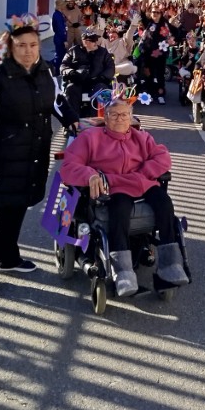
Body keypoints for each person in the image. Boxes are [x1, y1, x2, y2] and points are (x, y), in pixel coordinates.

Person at [0, 15, 75, 294]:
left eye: (33, 45)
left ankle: (10, 259)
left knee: (17, 210)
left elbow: (56, 100)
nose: (28, 50)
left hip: (32, 157)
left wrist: (72, 120)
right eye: (22, 45)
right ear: (10, 47)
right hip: (2, 161)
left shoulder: (44, 73)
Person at [60, 100, 189, 296]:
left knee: (164, 203)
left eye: (124, 114)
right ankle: (123, 272)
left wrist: (145, 172)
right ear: (106, 118)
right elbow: (69, 165)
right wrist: (90, 175)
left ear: (131, 117)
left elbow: (162, 157)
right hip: (113, 187)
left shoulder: (142, 137)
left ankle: (170, 266)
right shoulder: (90, 138)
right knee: (119, 209)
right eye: (114, 115)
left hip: (142, 183)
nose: (120, 118)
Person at [60, 28, 115, 119]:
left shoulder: (103, 52)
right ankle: (73, 122)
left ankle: (99, 120)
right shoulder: (74, 51)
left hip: (97, 81)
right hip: (78, 81)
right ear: (84, 41)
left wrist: (102, 77)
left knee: (103, 91)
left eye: (95, 40)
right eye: (92, 40)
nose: (95, 42)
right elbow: (63, 66)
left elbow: (111, 67)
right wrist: (71, 72)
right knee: (70, 89)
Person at [137, 3, 180, 104]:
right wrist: (142, 8)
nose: (155, 14)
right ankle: (150, 95)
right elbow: (142, 15)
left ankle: (160, 94)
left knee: (159, 74)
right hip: (148, 53)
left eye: (157, 12)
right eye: (153, 12)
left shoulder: (164, 24)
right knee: (148, 74)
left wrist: (173, 40)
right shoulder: (148, 22)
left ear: (161, 14)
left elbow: (177, 32)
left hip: (160, 54)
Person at [52, 0, 69, 73]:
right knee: (59, 56)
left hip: (60, 37)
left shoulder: (59, 14)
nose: (64, 6)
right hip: (60, 38)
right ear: (60, 6)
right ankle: (57, 71)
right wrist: (64, 40)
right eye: (63, 5)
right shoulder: (57, 15)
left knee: (61, 55)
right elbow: (60, 29)